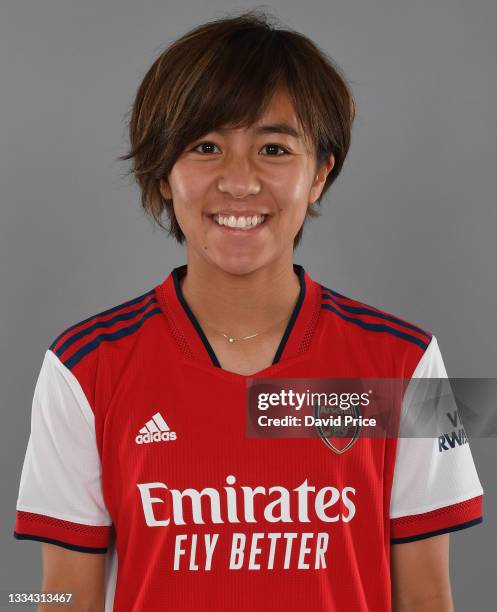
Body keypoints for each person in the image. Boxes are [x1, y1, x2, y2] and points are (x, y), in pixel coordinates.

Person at [13, 10, 483, 611]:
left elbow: (427, 598)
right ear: (163, 174)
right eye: (206, 146)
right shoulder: (83, 367)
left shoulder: (406, 362)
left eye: (274, 148)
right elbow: (61, 599)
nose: (239, 182)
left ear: (320, 173)